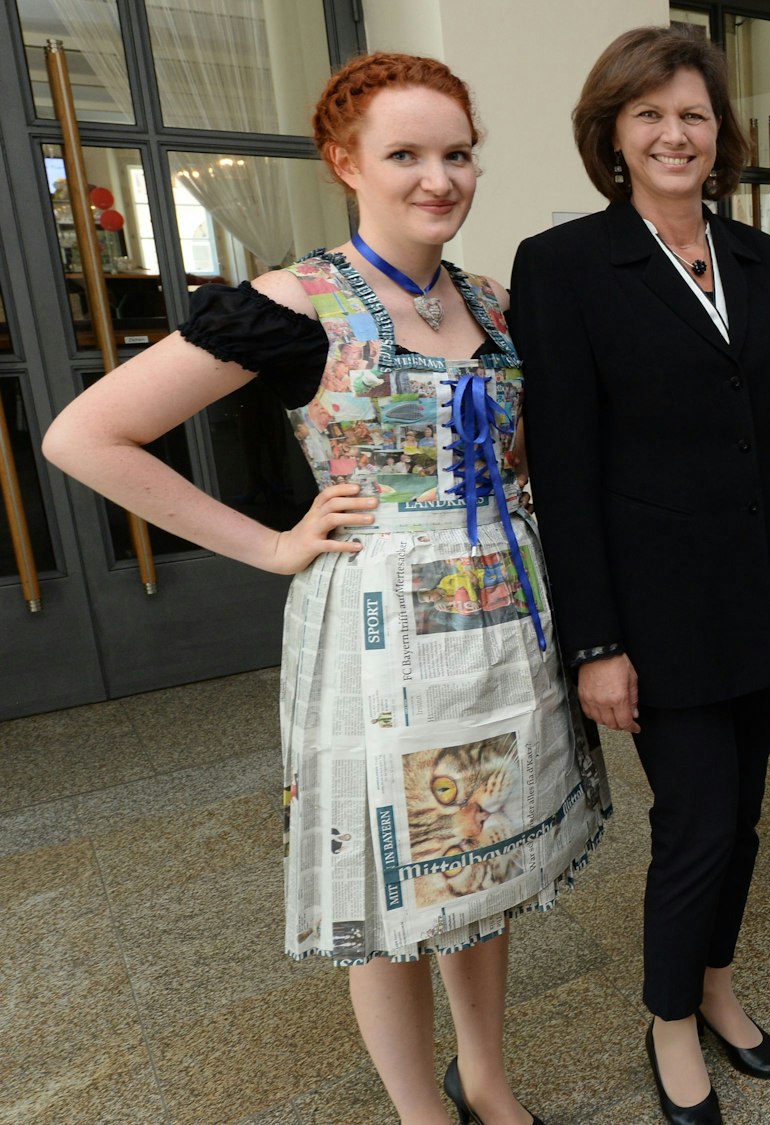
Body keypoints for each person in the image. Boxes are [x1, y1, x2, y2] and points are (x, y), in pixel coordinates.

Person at [41, 53, 607, 1125]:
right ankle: (420, 1111)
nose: (439, 178)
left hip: (502, 620)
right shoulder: (292, 305)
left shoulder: (493, 301)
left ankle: (486, 1079)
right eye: (406, 155)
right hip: (378, 634)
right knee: (387, 890)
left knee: (475, 863)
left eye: (457, 154)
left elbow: (525, 455)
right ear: (345, 163)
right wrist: (270, 546)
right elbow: (84, 435)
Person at [507, 26, 770, 1125]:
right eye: (648, 115)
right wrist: (596, 641)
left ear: (720, 132)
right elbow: (565, 468)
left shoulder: (760, 258)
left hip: (763, 591)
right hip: (655, 611)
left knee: (745, 817)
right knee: (696, 821)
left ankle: (718, 983)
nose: (673, 134)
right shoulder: (563, 266)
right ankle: (670, 1019)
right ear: (612, 134)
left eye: (692, 114)